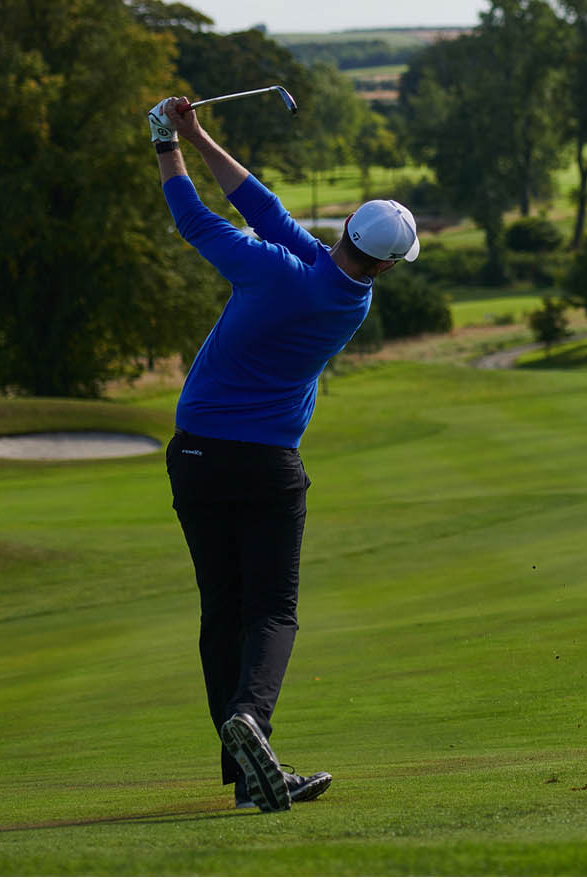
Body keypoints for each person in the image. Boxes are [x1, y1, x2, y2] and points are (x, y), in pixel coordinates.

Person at [147, 95, 420, 812]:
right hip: (267, 466)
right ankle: (252, 723)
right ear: (386, 265)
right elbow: (264, 209)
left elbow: (199, 221)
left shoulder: (275, 268)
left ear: (345, 229)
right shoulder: (348, 298)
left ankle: (245, 783)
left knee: (222, 612)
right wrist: (196, 133)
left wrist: (165, 147)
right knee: (273, 611)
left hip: (197, 455)